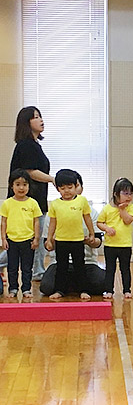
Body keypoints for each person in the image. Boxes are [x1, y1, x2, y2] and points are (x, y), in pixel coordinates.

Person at [39, 173, 104, 297]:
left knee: (83, 268)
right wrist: (49, 240)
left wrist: (91, 236)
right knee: (52, 280)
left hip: (82, 250)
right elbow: (52, 223)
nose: (67, 191)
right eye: (62, 188)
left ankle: (82, 289)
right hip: (61, 243)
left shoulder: (83, 203)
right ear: (58, 189)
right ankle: (60, 290)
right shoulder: (55, 204)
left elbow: (88, 219)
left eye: (70, 187)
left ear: (78, 187)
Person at [9, 106, 53, 281]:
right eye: (35, 117)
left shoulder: (34, 145)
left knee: (35, 238)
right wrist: (53, 179)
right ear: (26, 122)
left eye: (40, 116)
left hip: (35, 200)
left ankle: (38, 270)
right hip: (26, 202)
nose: (41, 120)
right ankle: (38, 271)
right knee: (22, 241)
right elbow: (30, 171)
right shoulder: (26, 145)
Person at [1, 169, 42, 299]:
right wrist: (3, 239)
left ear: (29, 186)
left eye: (24, 184)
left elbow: (36, 222)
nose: (21, 188)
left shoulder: (33, 203)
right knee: (12, 267)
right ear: (11, 186)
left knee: (27, 267)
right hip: (12, 240)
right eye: (17, 184)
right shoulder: (7, 203)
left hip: (28, 240)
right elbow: (3, 222)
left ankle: (26, 289)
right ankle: (13, 288)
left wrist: (36, 238)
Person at [97, 178, 133, 299]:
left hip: (125, 245)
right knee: (110, 269)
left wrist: (122, 209)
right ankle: (109, 290)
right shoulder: (107, 209)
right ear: (115, 194)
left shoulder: (131, 208)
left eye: (131, 193)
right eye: (125, 193)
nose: (129, 196)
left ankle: (127, 290)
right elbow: (99, 222)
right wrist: (107, 228)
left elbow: (128, 220)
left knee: (125, 269)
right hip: (110, 245)